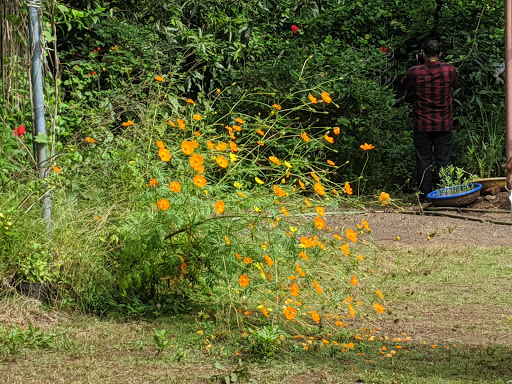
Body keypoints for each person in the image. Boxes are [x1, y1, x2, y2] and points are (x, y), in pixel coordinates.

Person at [401, 40, 457, 202]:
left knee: (423, 161)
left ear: (423, 54)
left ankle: (425, 199)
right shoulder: (449, 70)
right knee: (444, 161)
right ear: (440, 54)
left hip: (422, 124)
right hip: (444, 123)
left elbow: (404, 86)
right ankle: (444, 197)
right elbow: (453, 83)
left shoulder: (415, 72)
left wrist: (418, 64)